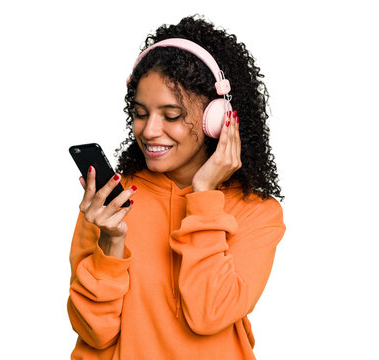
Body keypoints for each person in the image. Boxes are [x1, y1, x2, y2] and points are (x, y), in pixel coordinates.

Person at [67, 14, 286, 360]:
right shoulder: (110, 203)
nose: (150, 130)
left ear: (217, 120)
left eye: (171, 116)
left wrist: (204, 198)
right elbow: (94, 332)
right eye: (140, 113)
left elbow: (208, 314)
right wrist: (110, 243)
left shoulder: (257, 213)